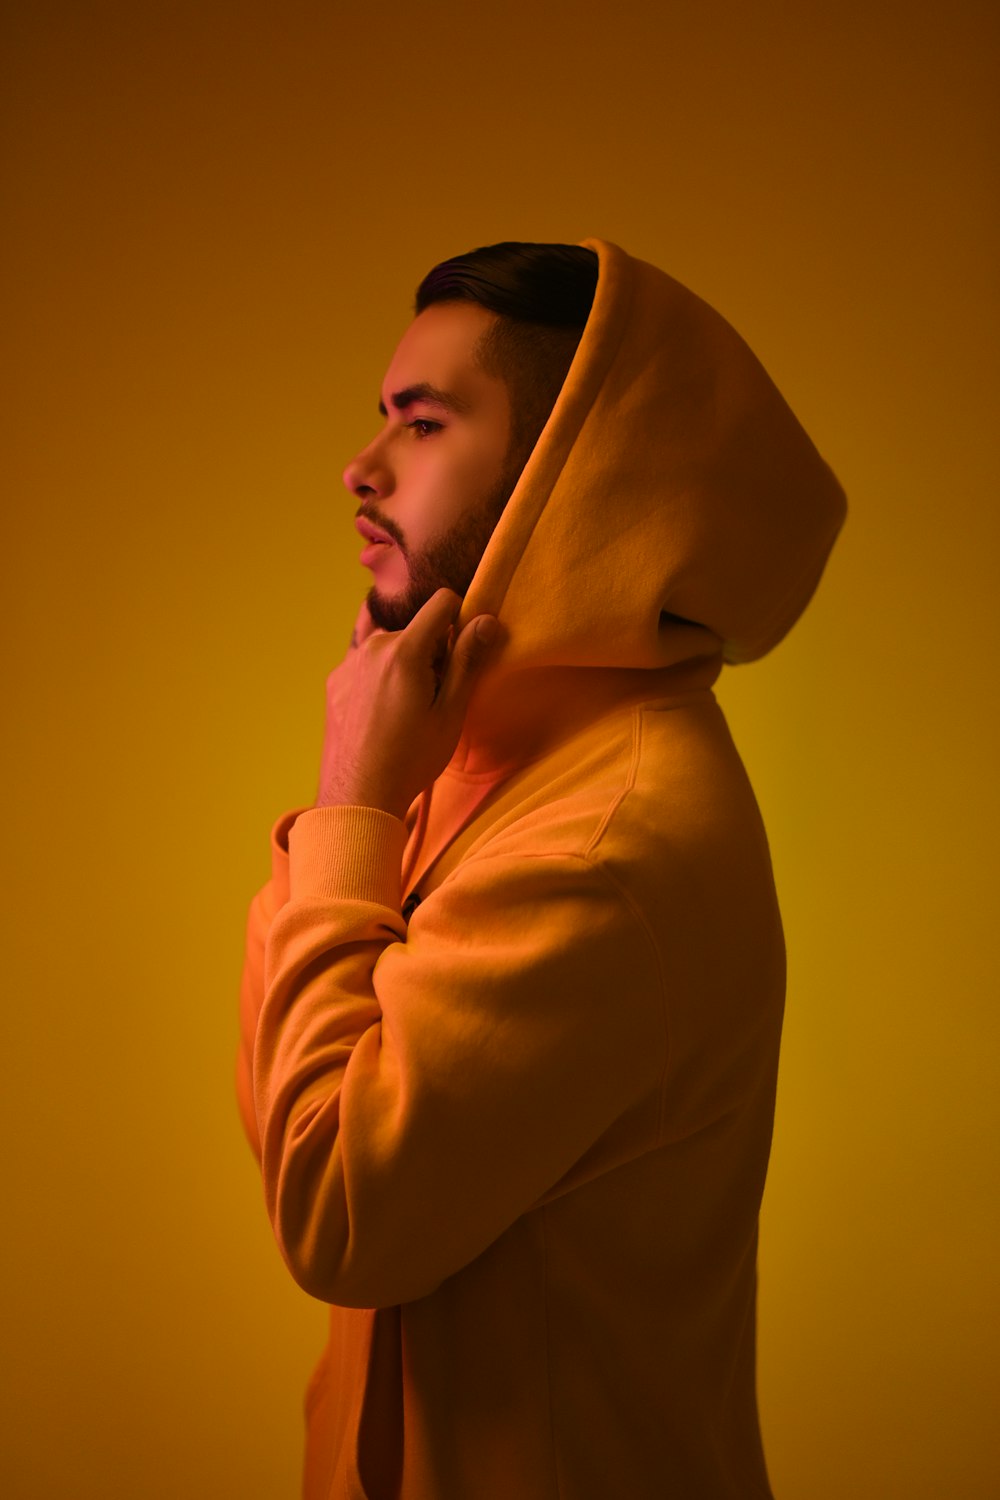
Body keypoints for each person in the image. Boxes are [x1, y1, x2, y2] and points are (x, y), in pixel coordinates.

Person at [237, 238, 846, 1499]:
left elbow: (333, 1206)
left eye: (421, 423)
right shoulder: (481, 763)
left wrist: (347, 801)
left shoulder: (603, 839)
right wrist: (364, 801)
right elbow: (289, 1090)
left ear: (566, 468)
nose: (360, 469)